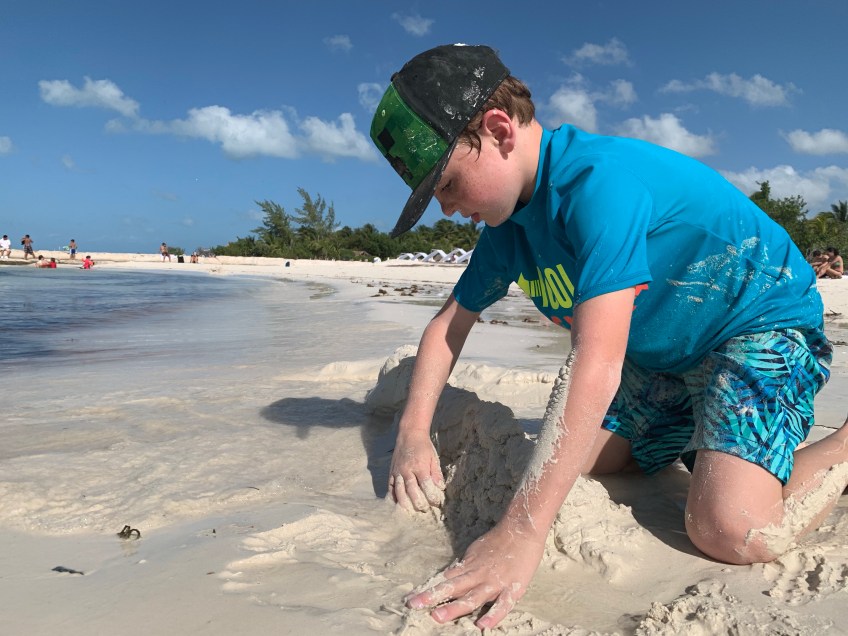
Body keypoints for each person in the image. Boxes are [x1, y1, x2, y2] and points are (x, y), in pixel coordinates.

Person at [369, 44, 847, 630]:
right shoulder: (506, 229)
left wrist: (521, 532)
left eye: (446, 184)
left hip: (756, 325)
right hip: (663, 358)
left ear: (498, 130)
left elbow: (594, 364)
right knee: (586, 461)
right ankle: (708, 432)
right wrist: (412, 433)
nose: (444, 209)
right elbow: (448, 325)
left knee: (729, 530)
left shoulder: (598, 185)